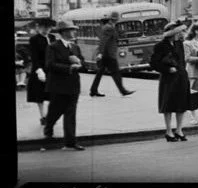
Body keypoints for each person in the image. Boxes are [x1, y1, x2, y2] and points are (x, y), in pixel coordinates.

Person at [42, 19, 86, 150]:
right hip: (58, 85)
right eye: (72, 30)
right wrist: (69, 67)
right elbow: (50, 64)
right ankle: (48, 128)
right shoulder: (53, 47)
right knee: (55, 111)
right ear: (64, 32)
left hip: (73, 85)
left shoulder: (75, 47)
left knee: (70, 114)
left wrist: (79, 63)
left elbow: (82, 63)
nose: (74, 32)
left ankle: (70, 142)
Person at [152, 19, 191, 142]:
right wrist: (167, 69)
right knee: (168, 105)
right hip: (168, 79)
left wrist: (184, 73)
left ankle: (179, 130)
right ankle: (169, 131)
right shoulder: (160, 46)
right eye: (178, 32)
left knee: (181, 104)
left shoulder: (179, 44)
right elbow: (154, 63)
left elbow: (182, 61)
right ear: (172, 33)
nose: (180, 34)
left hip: (181, 77)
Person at [88, 13, 134, 98]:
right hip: (108, 55)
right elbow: (103, 41)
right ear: (115, 19)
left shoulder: (108, 27)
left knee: (100, 73)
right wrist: (100, 53)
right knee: (116, 73)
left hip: (106, 54)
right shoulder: (109, 28)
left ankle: (93, 90)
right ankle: (123, 91)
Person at [26, 18, 54, 126]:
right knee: (39, 94)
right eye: (44, 27)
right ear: (39, 27)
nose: (46, 29)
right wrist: (39, 70)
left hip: (51, 68)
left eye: (48, 27)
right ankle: (43, 116)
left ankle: (50, 115)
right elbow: (34, 56)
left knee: (53, 94)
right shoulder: (34, 39)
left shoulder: (52, 37)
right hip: (40, 68)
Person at [183, 21, 198, 124]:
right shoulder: (187, 43)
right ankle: (194, 117)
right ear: (196, 31)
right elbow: (187, 58)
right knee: (192, 96)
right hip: (192, 72)